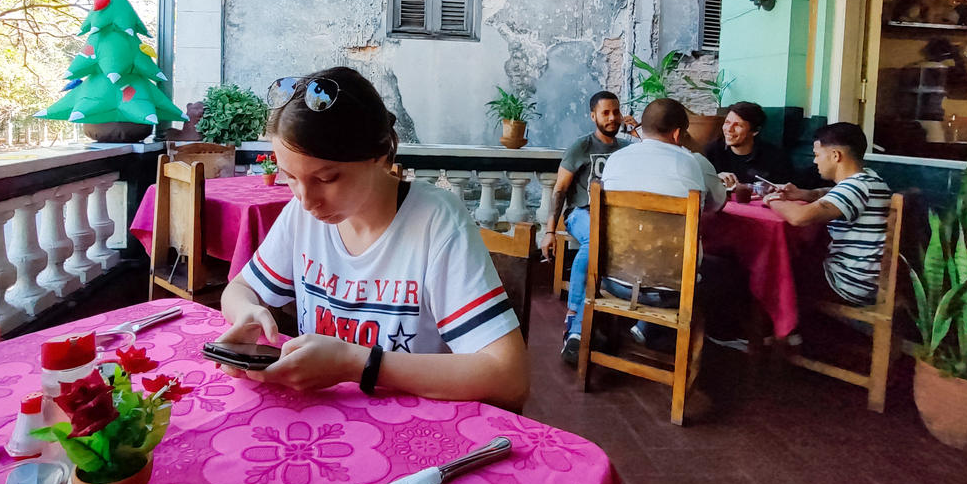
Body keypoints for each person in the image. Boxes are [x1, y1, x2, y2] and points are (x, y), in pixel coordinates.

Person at [216, 66, 529, 411]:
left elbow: (509, 376)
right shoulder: (300, 216)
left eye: (328, 178)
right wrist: (247, 313)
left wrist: (357, 364)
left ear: (379, 155)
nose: (307, 200)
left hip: (413, 427)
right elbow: (240, 289)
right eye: (290, 177)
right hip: (323, 419)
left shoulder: (434, 221)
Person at [601, 99, 746, 349]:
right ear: (679, 133)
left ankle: (650, 328)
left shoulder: (615, 160)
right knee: (731, 270)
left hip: (614, 280)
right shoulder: (693, 162)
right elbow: (717, 204)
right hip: (670, 291)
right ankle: (715, 339)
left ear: (642, 128)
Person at [537, 90, 636, 366]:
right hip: (582, 213)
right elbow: (560, 190)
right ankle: (576, 327)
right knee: (594, 242)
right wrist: (549, 231)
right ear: (593, 116)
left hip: (616, 217)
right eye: (605, 112)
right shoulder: (581, 147)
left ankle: (614, 321)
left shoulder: (627, 149)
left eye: (615, 112)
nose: (612, 117)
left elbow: (650, 156)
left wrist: (637, 132)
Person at [764, 122, 891, 306]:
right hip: (866, 279)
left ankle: (784, 332)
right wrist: (803, 194)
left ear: (835, 156)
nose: (814, 161)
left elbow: (799, 217)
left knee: (772, 268)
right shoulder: (870, 179)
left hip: (848, 283)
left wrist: (772, 199)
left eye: (817, 155)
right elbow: (828, 193)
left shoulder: (855, 187)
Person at [704, 101, 795, 188]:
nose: (729, 129)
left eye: (738, 125)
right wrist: (715, 179)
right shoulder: (713, 151)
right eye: (727, 123)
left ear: (755, 131)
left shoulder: (775, 157)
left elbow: (785, 190)